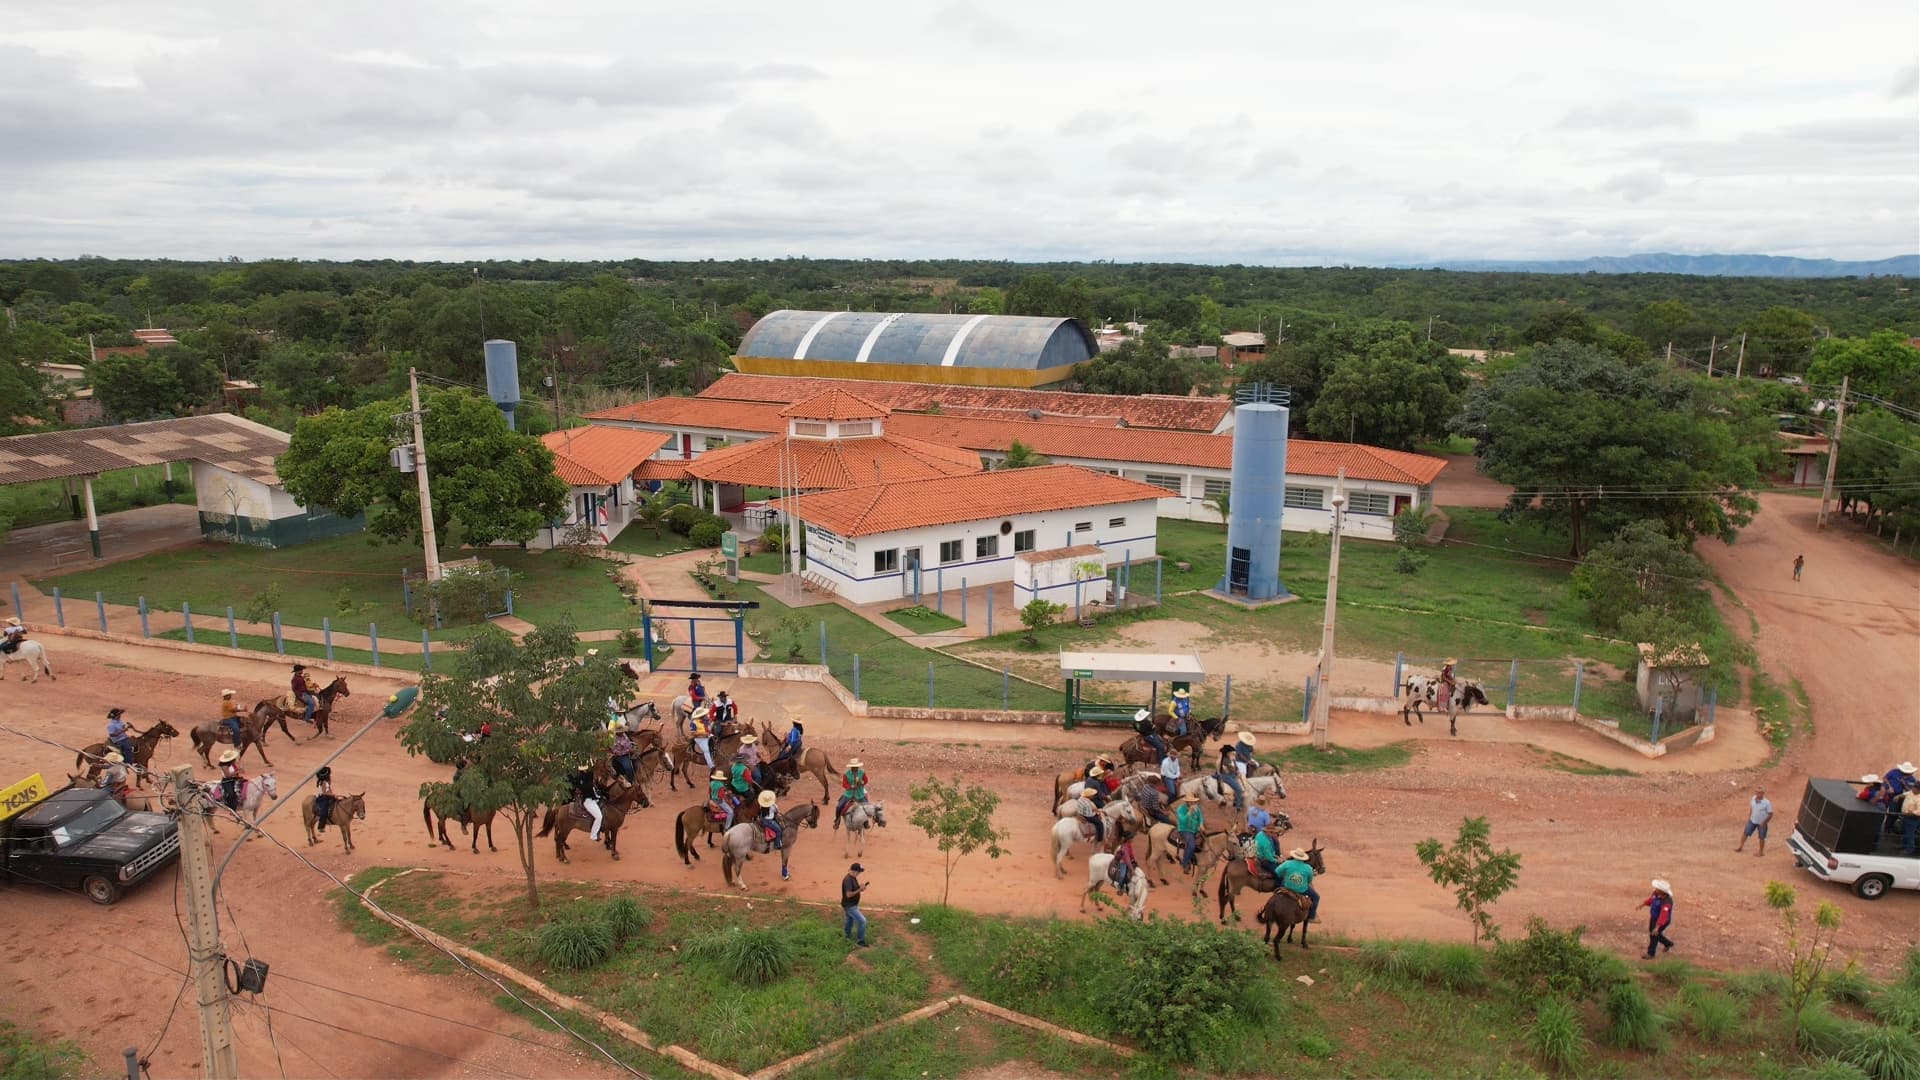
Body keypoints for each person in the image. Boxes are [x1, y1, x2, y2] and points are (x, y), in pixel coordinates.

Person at [1277, 846, 1320, 922]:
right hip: (1302, 890)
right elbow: (1309, 880)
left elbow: (1278, 872)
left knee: (1281, 884)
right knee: (1316, 897)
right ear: (1303, 858)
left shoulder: (1287, 863)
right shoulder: (1308, 868)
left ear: (1294, 856)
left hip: (1287, 887)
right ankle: (1311, 916)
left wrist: (1284, 875)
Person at [568, 764, 603, 843]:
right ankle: (593, 835)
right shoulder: (588, 783)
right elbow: (595, 794)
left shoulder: (582, 780)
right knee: (599, 817)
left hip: (590, 799)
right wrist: (600, 796)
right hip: (589, 801)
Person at [1642, 879, 1675, 958]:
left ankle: (1651, 954)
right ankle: (1668, 943)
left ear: (1662, 891)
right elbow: (1652, 899)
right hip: (1654, 918)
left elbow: (1663, 915)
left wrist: (1657, 927)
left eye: (1657, 888)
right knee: (1653, 933)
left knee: (1654, 935)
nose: (1655, 889)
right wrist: (1643, 904)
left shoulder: (1667, 902)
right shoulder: (1656, 894)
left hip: (1662, 921)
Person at [1735, 786, 1772, 856]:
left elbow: (1770, 814)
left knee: (1762, 837)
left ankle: (1761, 852)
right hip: (1752, 820)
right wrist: (1749, 818)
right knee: (1745, 833)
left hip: (1762, 823)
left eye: (1759, 793)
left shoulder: (1767, 803)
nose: (1758, 794)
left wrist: (1764, 822)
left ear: (1763, 793)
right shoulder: (1753, 798)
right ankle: (1740, 847)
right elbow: (1752, 808)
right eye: (1756, 792)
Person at [833, 758, 868, 829]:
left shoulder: (862, 772)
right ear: (851, 767)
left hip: (860, 793)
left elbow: (866, 780)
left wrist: (861, 782)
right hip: (849, 794)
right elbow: (844, 784)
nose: (855, 768)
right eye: (854, 767)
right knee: (839, 806)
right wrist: (851, 786)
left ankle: (866, 822)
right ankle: (837, 821)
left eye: (856, 767)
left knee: (867, 807)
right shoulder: (846, 774)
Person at [841, 863, 870, 947]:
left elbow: (854, 890)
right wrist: (859, 889)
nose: (859, 874)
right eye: (859, 872)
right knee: (862, 921)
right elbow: (848, 894)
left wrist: (860, 888)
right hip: (849, 906)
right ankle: (860, 941)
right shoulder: (848, 880)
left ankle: (846, 936)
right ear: (854, 871)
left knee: (850, 920)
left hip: (851, 904)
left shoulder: (853, 878)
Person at [1175, 793, 1204, 871]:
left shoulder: (1196, 808)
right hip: (1185, 829)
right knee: (1192, 845)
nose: (1193, 803)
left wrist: (1201, 824)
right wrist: (1189, 813)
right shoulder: (1180, 809)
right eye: (1191, 801)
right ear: (1187, 802)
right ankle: (1185, 863)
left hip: (1195, 829)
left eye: (1193, 801)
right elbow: (1182, 821)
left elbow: (1200, 817)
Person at [1214, 742, 1246, 810]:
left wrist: (1238, 771)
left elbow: (1235, 767)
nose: (1233, 753)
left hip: (1232, 775)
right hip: (1226, 776)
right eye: (1231, 752)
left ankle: (1238, 799)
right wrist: (1236, 773)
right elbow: (1231, 769)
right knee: (1239, 789)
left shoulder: (1232, 759)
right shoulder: (1225, 760)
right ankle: (1238, 805)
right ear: (1227, 753)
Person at [1109, 826, 1139, 891]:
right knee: (1122, 875)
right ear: (1128, 839)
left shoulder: (1129, 845)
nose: (1133, 839)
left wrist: (1134, 860)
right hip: (1123, 862)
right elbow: (1127, 860)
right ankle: (1119, 886)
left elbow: (1131, 854)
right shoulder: (1125, 847)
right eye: (1131, 838)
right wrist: (1132, 870)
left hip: (1128, 861)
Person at [312, 766, 337, 832]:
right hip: (323, 798)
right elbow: (324, 793)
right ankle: (321, 827)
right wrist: (332, 795)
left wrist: (333, 795)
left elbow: (329, 790)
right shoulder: (323, 783)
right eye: (329, 775)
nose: (330, 776)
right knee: (324, 811)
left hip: (327, 796)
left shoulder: (326, 782)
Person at [1901, 784, 1920, 857]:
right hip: (1905, 817)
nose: (1913, 789)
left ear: (1918, 790)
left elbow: (1919, 811)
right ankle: (1904, 846)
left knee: (1910, 834)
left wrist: (1912, 813)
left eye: (1915, 788)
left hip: (1913, 818)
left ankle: (1909, 850)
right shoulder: (1911, 792)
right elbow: (1905, 794)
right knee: (1905, 832)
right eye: (1913, 787)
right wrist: (1898, 796)